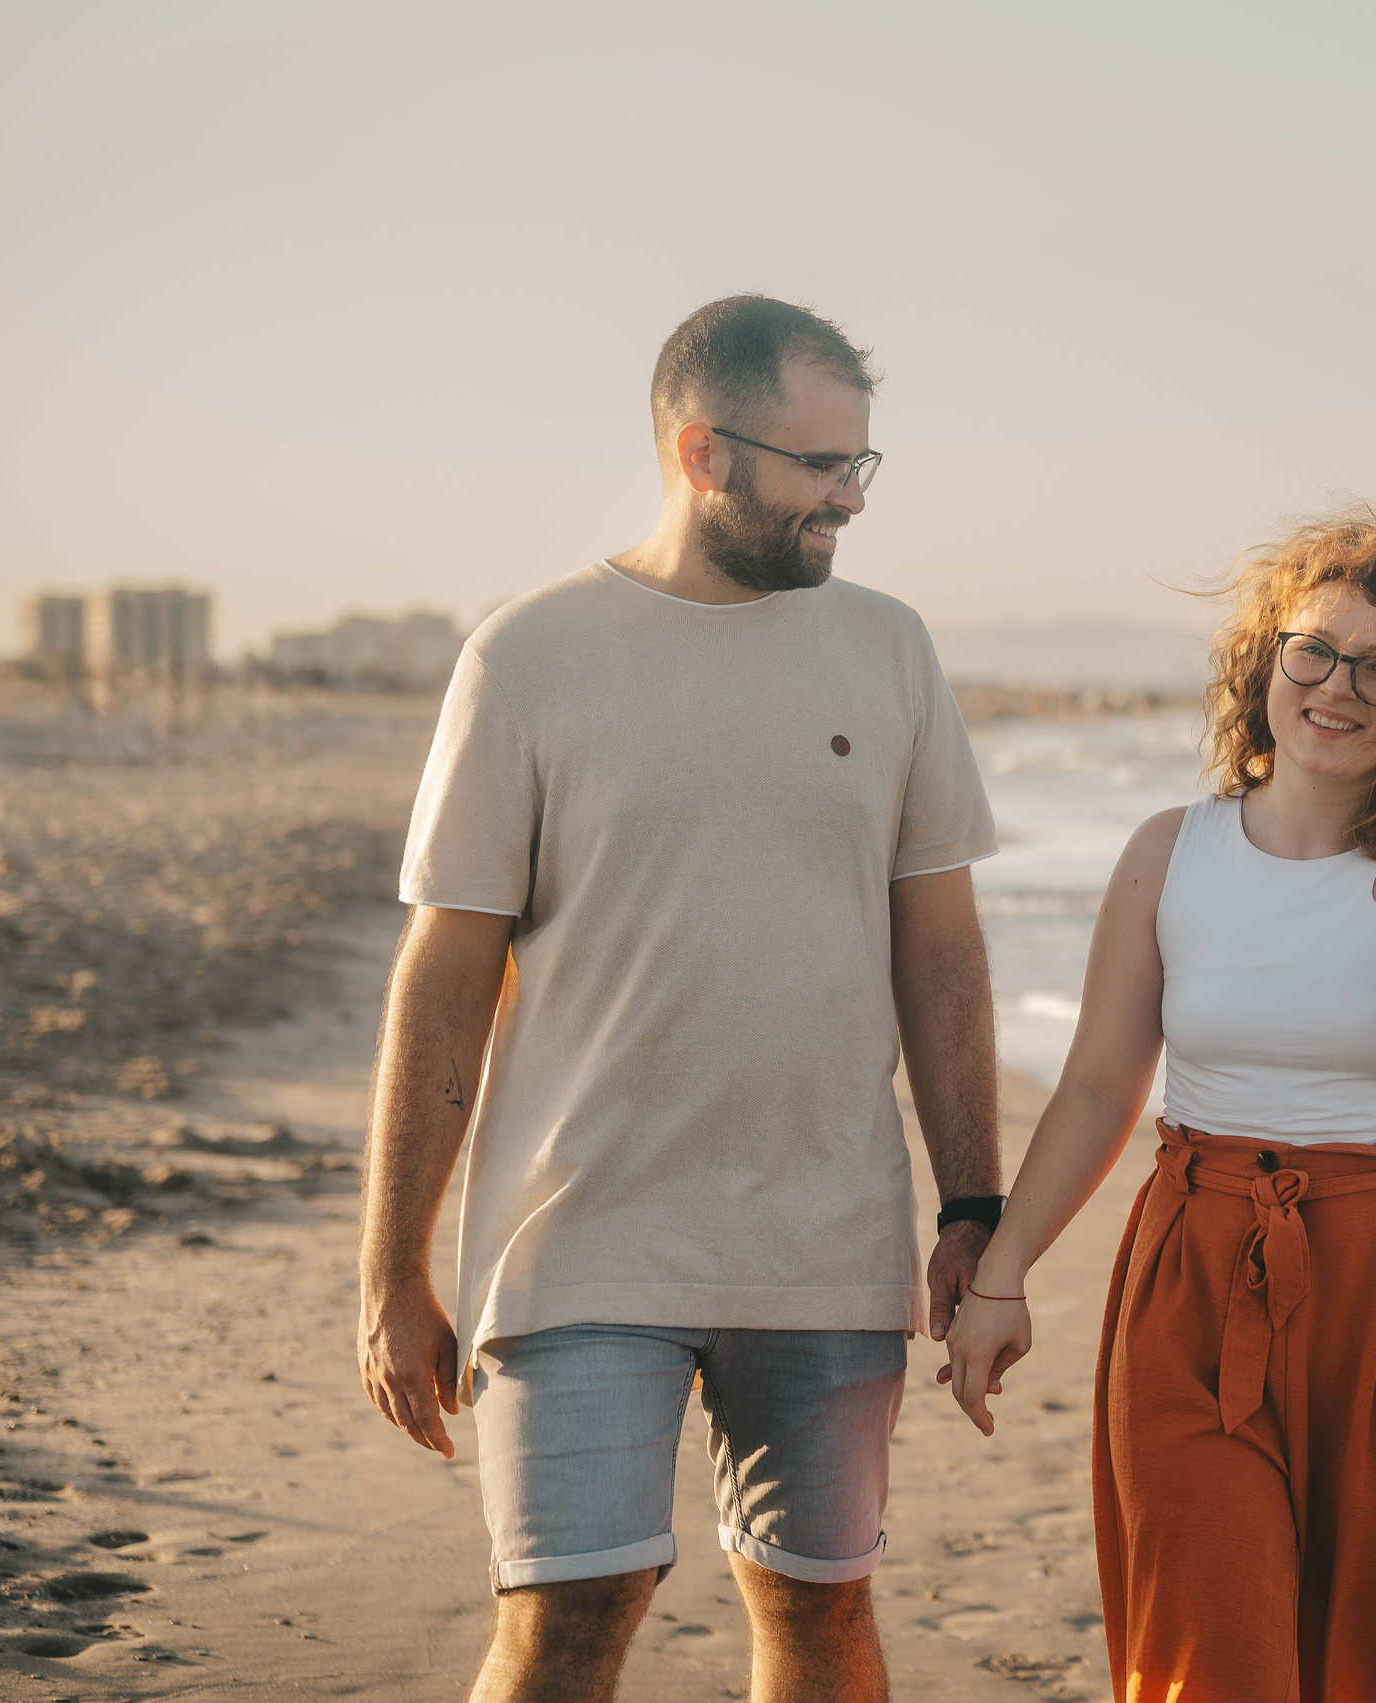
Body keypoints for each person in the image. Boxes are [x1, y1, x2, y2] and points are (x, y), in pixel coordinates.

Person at [355, 295, 1005, 1703]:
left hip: (825, 1242)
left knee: (821, 1614)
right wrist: (391, 1269)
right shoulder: (527, 655)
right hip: (579, 1236)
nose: (850, 496)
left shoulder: (889, 648)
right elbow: (445, 978)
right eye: (820, 463)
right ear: (703, 454)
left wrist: (973, 1203)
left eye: (861, 462)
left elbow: (943, 953)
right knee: (567, 1618)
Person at [941, 510, 1376, 1703]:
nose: (1336, 685)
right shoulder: (1169, 851)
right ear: (1263, 657)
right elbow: (1097, 1084)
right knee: (1207, 1658)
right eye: (1313, 649)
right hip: (1195, 1275)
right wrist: (1002, 1273)